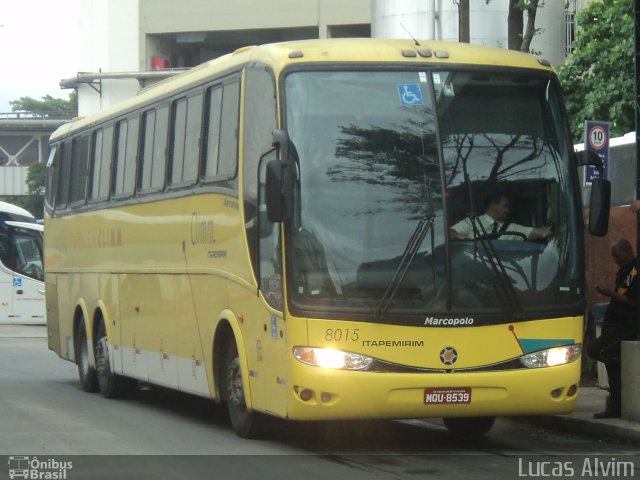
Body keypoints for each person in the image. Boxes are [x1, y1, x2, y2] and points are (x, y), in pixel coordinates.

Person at [587, 238, 639, 419]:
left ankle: (617, 403)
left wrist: (610, 293)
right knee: (610, 362)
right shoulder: (625, 271)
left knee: (598, 350)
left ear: (626, 252)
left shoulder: (635, 270)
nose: (616, 260)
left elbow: (634, 301)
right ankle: (616, 405)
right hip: (614, 326)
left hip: (626, 327)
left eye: (617, 256)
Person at [449, 192, 552, 241]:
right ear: (493, 205)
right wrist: (461, 237)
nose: (508, 210)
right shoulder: (472, 222)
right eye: (505, 206)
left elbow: (539, 232)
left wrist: (556, 229)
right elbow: (449, 232)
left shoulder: (511, 228)